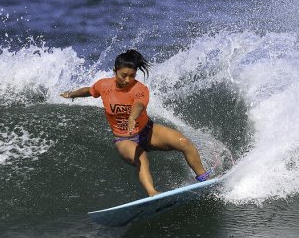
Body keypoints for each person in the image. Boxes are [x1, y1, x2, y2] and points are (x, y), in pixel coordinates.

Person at [61, 49, 210, 197]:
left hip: (147, 131)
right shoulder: (104, 86)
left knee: (183, 142)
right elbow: (89, 90)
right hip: (124, 139)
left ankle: (204, 178)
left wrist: (132, 117)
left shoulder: (139, 89)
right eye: (123, 75)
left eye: (132, 76)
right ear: (115, 71)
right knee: (141, 157)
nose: (127, 80)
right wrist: (71, 94)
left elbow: (139, 105)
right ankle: (152, 193)